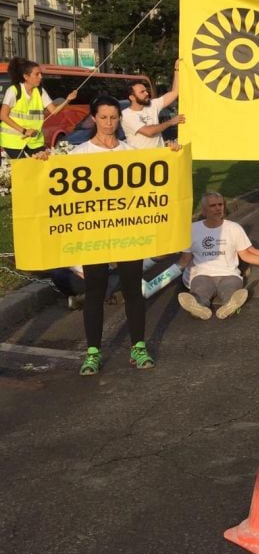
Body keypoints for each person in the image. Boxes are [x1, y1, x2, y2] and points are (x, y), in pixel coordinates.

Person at [67, 96, 154, 374]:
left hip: (127, 233)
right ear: (94, 118)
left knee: (132, 291)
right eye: (103, 117)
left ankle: (138, 348)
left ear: (120, 119)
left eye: (113, 118)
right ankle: (93, 352)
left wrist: (173, 154)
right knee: (95, 292)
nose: (108, 123)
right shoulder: (78, 154)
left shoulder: (130, 152)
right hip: (94, 236)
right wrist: (42, 162)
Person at [177, 192, 259, 320]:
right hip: (201, 274)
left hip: (229, 273)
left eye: (220, 205)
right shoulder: (192, 230)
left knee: (230, 290)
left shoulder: (234, 228)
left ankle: (230, 305)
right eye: (213, 205)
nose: (218, 208)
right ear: (204, 210)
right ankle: (198, 307)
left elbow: (246, 255)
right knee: (201, 291)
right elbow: (185, 260)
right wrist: (162, 278)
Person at [0, 58, 76, 159]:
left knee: (44, 163)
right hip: (13, 141)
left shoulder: (40, 91)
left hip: (34, 140)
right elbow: (3, 116)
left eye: (41, 74)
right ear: (26, 77)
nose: (40, 77)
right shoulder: (13, 90)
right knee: (25, 168)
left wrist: (68, 100)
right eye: (37, 74)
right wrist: (24, 131)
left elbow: (54, 111)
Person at [121, 60, 184, 149]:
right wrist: (171, 122)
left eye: (146, 90)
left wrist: (177, 69)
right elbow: (149, 132)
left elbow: (174, 93)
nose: (147, 93)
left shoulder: (152, 104)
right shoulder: (126, 114)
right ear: (132, 97)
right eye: (142, 92)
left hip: (159, 157)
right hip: (142, 159)